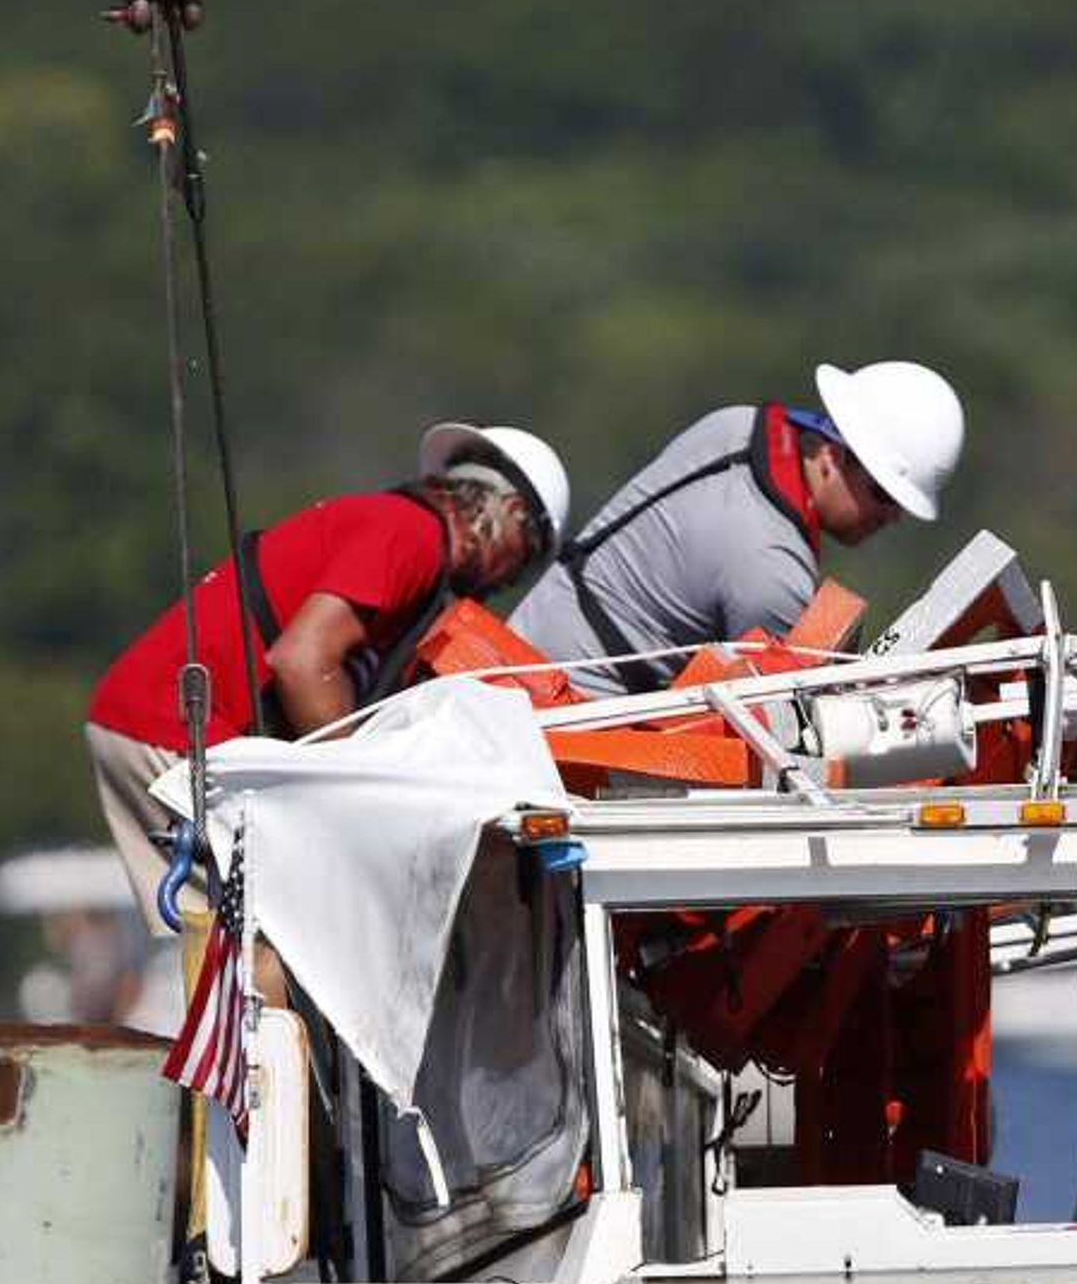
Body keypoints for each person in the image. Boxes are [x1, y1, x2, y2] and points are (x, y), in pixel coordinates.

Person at [85, 421, 570, 918]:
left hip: (147, 716)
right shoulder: (411, 534)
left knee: (208, 936)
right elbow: (302, 661)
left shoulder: (406, 553)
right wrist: (357, 804)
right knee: (277, 934)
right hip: (177, 723)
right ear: (511, 513)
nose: (508, 580)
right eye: (524, 561)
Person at [507, 359, 964, 697]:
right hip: (566, 700)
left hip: (528, 632)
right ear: (833, 455)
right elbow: (784, 705)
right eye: (884, 495)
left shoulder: (736, 423)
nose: (891, 517)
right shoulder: (769, 568)